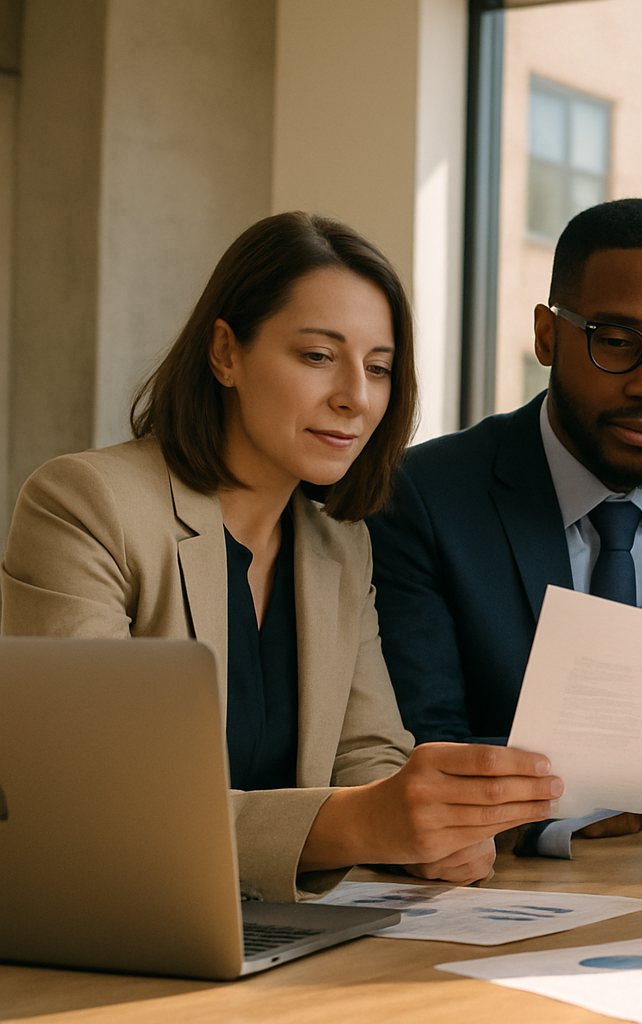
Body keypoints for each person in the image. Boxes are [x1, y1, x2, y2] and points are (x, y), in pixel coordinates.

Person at [1, 212, 561, 901]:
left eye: (379, 368)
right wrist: (364, 825)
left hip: (276, 935)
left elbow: (367, 755)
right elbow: (96, 800)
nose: (355, 396)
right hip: (109, 931)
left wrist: (430, 832)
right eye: (318, 356)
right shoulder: (88, 504)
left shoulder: (338, 545)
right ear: (225, 353)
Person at [366, 197, 642, 849]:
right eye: (619, 343)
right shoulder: (425, 494)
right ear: (548, 335)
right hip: (500, 892)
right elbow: (428, 748)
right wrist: (575, 798)